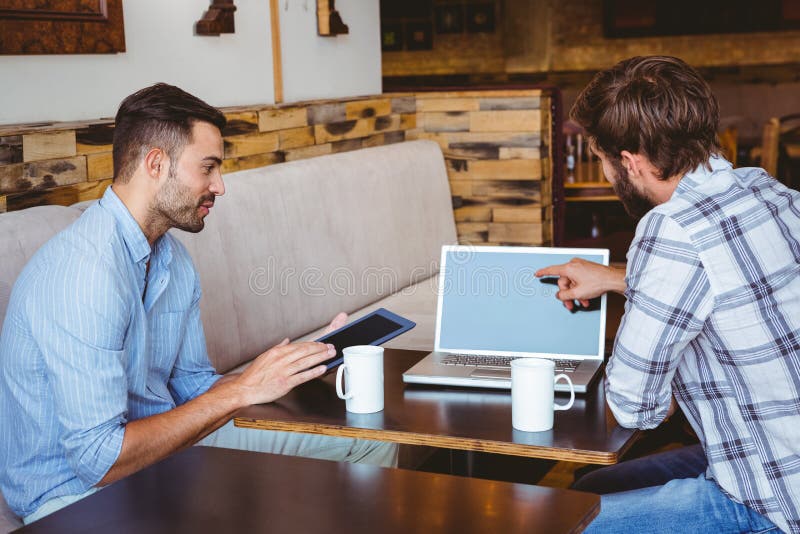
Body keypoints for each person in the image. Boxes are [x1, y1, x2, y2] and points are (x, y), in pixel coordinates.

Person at [0, 83, 396, 524]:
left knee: (370, 440)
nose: (220, 187)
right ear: (155, 164)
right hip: (73, 494)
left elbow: (193, 389)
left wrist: (284, 370)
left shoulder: (172, 259)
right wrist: (243, 390)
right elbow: (98, 460)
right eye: (208, 168)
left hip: (166, 457)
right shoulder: (84, 274)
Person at [536, 56, 799, 533]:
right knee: (593, 485)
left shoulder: (671, 228)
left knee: (560, 521)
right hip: (777, 451)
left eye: (603, 161)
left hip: (768, 498)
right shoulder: (769, 191)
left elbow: (637, 407)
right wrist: (620, 277)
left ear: (630, 163)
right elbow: (730, 279)